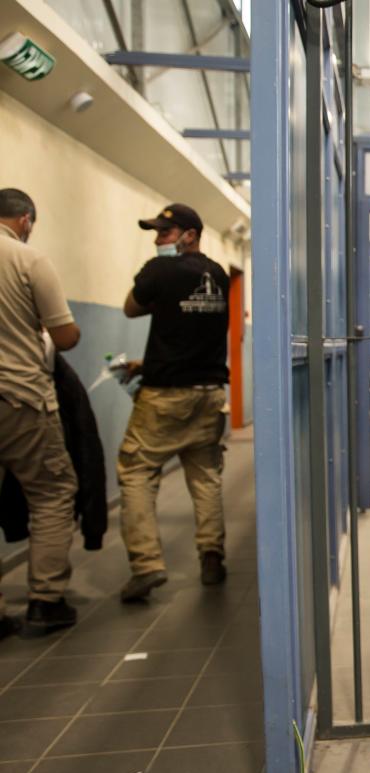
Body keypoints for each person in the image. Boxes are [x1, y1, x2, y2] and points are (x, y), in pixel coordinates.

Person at [118, 203, 230, 602]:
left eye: (164, 233)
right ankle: (212, 554)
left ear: (189, 235)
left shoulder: (158, 270)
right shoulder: (217, 275)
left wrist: (157, 296)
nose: (157, 240)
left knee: (136, 470)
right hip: (211, 394)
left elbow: (131, 308)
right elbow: (191, 336)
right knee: (205, 476)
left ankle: (146, 565)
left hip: (165, 396)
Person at [0, 188, 81, 638]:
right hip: (19, 398)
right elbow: (64, 336)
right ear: (26, 220)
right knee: (51, 492)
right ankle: (45, 600)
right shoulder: (28, 260)